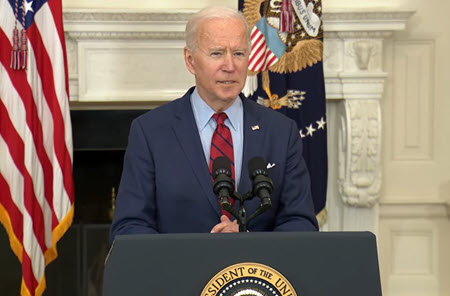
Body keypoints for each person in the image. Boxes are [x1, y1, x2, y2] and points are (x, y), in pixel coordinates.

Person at [109, 6, 318, 242]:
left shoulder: (281, 132)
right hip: (179, 275)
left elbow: (301, 223)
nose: (230, 66)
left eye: (238, 53)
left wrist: (252, 243)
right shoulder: (150, 132)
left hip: (255, 274)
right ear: (190, 60)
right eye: (217, 53)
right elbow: (129, 227)